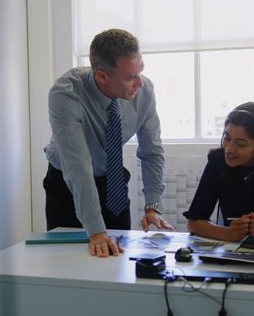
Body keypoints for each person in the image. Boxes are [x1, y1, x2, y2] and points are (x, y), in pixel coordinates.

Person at [44, 29, 174, 258]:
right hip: (67, 184)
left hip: (112, 182)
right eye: (130, 77)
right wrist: (95, 230)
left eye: (140, 72)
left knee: (117, 259)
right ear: (102, 76)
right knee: (68, 263)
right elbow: (78, 167)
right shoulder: (65, 94)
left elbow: (152, 152)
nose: (140, 84)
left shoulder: (145, 92)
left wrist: (153, 205)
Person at [183, 102, 254, 243]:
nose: (229, 149)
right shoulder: (218, 161)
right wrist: (227, 233)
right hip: (235, 255)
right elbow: (194, 223)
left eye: (241, 143)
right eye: (227, 138)